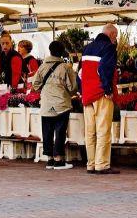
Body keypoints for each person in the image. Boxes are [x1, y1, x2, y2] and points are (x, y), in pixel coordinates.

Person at [31, 41, 78, 169]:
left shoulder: (42, 66)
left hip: (46, 104)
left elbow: (35, 84)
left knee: (47, 131)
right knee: (60, 132)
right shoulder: (66, 67)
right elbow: (73, 88)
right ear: (62, 52)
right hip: (61, 104)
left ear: (50, 50)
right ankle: (59, 160)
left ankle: (50, 159)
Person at [80, 24, 120, 175]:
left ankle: (91, 164)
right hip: (101, 93)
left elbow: (80, 73)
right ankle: (101, 164)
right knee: (103, 130)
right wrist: (108, 89)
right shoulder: (109, 47)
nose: (115, 39)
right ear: (111, 34)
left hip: (87, 94)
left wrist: (82, 91)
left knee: (90, 131)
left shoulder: (87, 48)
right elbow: (105, 69)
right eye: (115, 36)